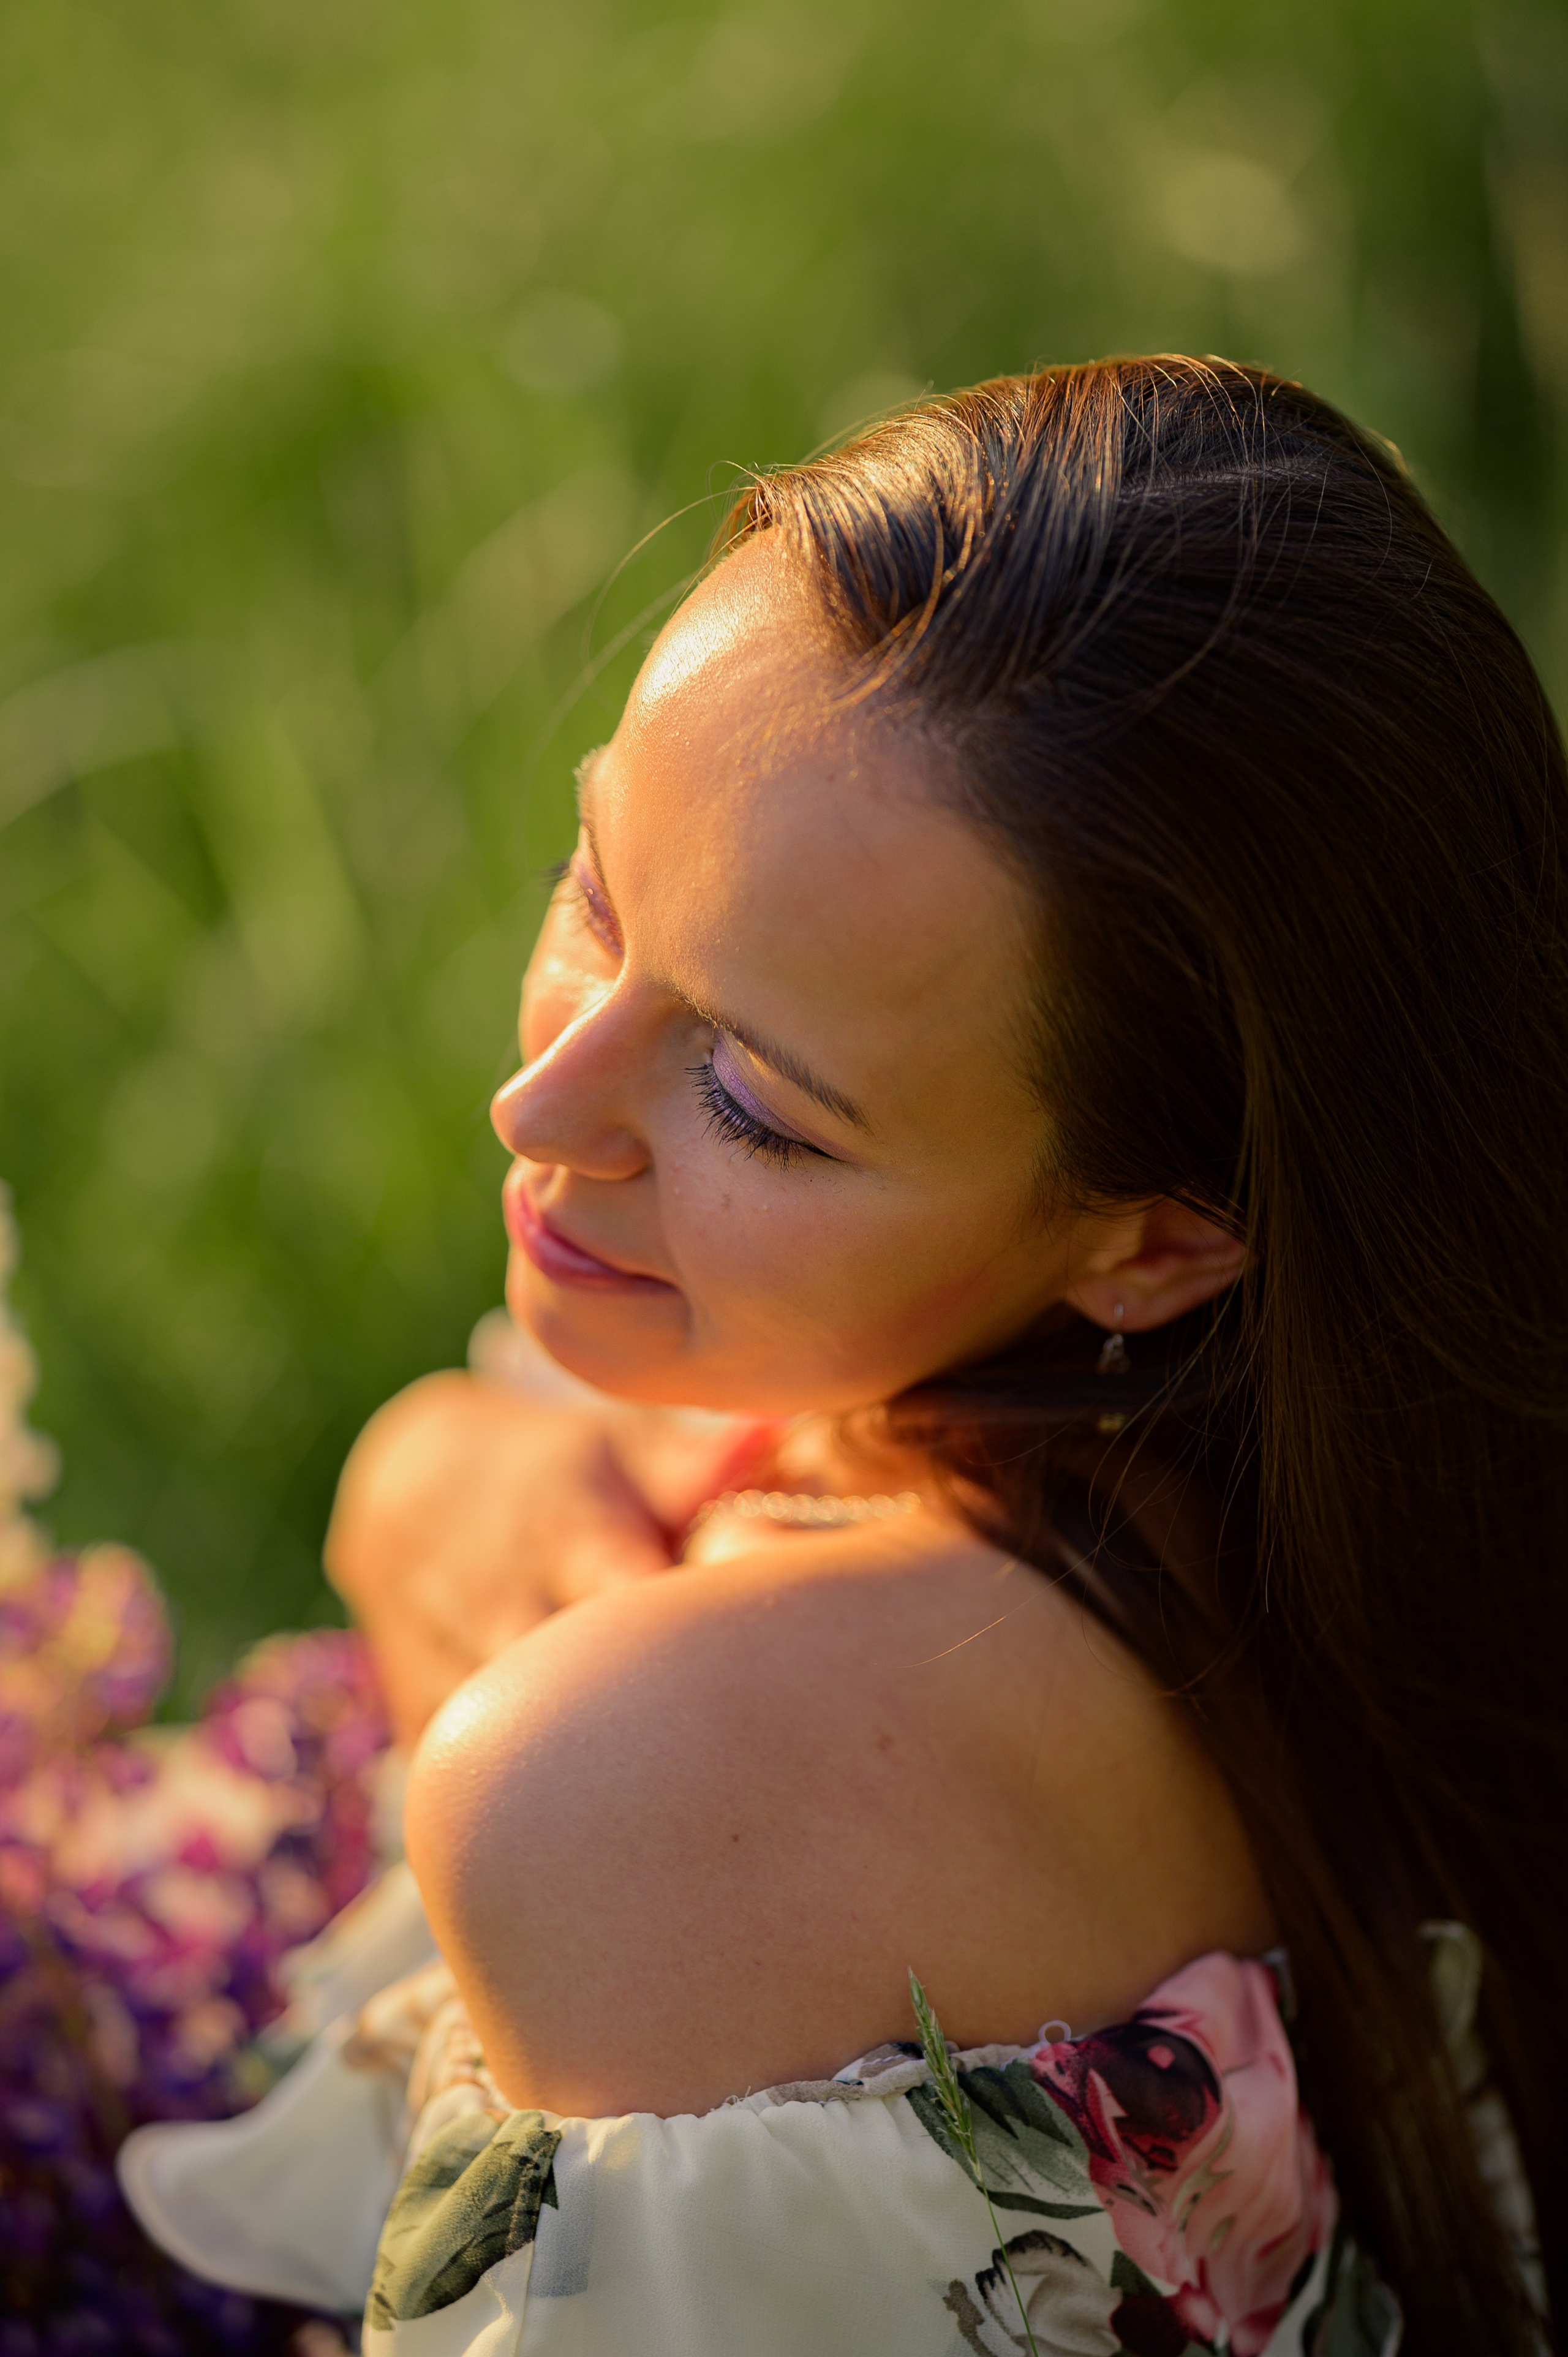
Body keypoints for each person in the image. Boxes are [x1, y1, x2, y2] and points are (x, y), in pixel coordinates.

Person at [127, 360, 1563, 2355]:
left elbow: (611, 1790)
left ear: (1154, 1243)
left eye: (755, 1100)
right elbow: (490, 1464)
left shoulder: (648, 1782)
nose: (542, 1105)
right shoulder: (1289, 1491)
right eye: (597, 889)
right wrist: (425, 1472)